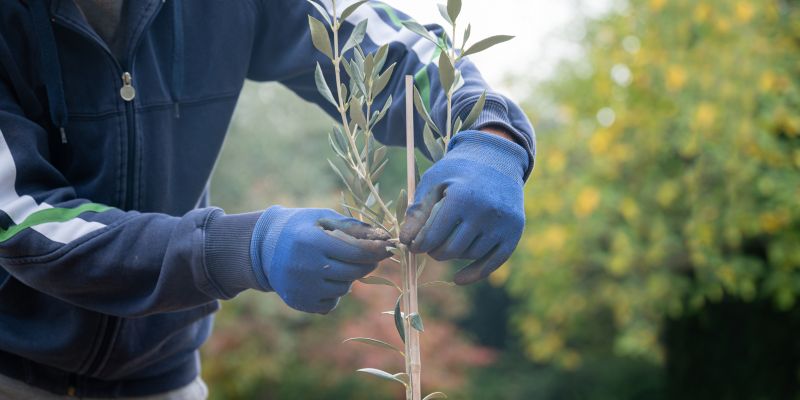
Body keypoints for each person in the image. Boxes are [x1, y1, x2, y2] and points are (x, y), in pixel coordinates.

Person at [0, 0, 535, 398]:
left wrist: (492, 136)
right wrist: (242, 247)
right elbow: (24, 222)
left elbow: (373, 37)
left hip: (162, 377)